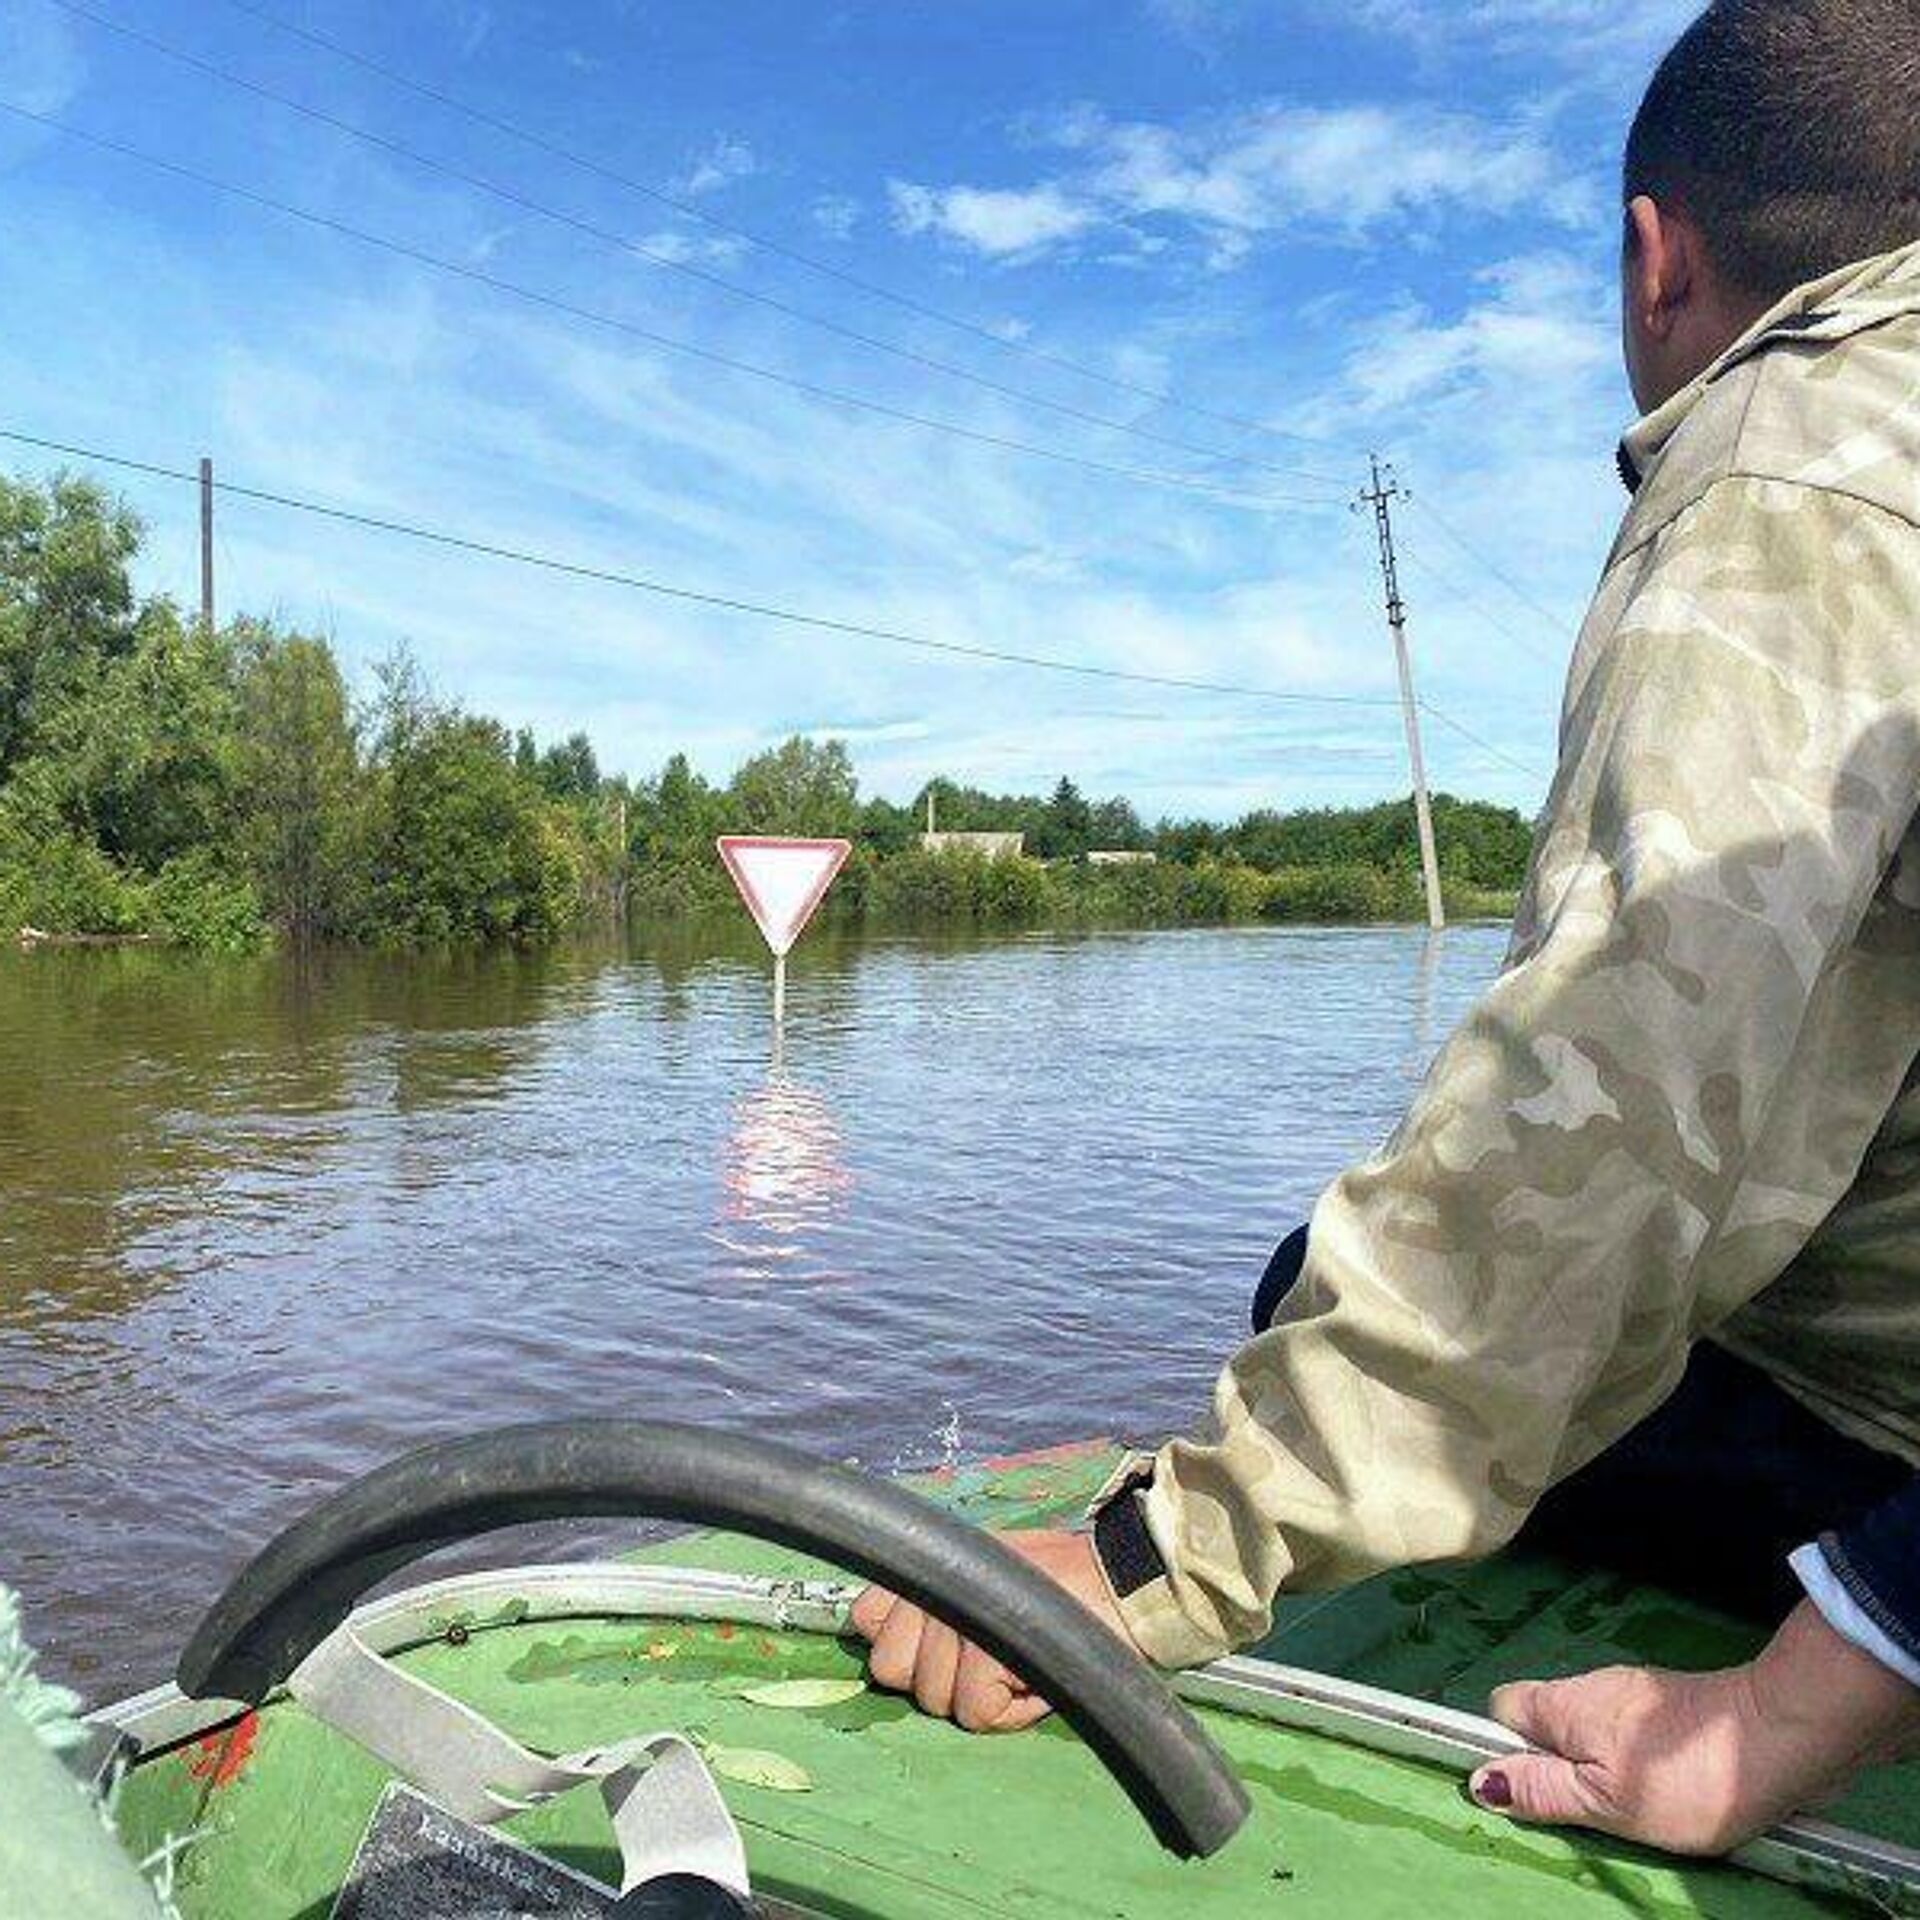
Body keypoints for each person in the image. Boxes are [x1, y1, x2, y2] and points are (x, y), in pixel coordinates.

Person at [852, 0, 1920, 1856]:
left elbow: (1614, 1091)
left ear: (1656, 256)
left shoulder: (1800, 450)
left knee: (1308, 1288)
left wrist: (1155, 1556)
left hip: (1880, 1454)